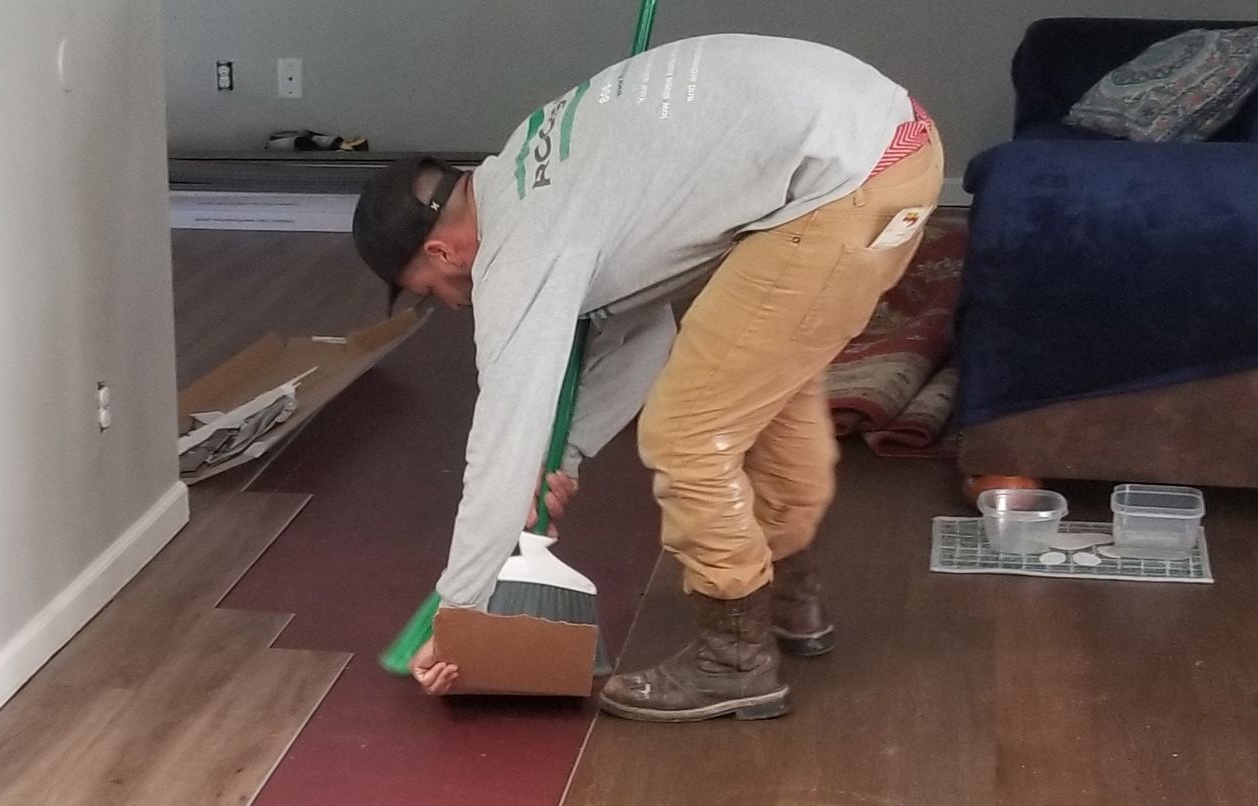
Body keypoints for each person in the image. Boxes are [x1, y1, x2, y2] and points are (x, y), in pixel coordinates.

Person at [352, 35, 944, 720]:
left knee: (689, 432)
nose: (448, 304)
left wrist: (460, 610)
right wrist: (566, 457)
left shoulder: (518, 253)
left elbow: (501, 439)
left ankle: (734, 662)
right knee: (756, 391)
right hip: (884, 133)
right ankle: (790, 596)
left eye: (427, 289)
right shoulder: (520, 169)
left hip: (848, 182)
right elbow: (641, 331)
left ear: (440, 250)